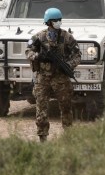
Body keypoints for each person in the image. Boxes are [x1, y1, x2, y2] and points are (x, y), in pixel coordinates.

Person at [25, 8, 81, 141]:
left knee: (66, 106)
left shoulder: (67, 37)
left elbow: (77, 55)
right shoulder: (39, 37)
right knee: (41, 108)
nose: (58, 22)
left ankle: (68, 135)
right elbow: (28, 51)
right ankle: (42, 136)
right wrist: (38, 56)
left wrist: (68, 65)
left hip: (60, 77)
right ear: (48, 22)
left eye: (59, 20)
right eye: (55, 20)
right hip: (42, 77)